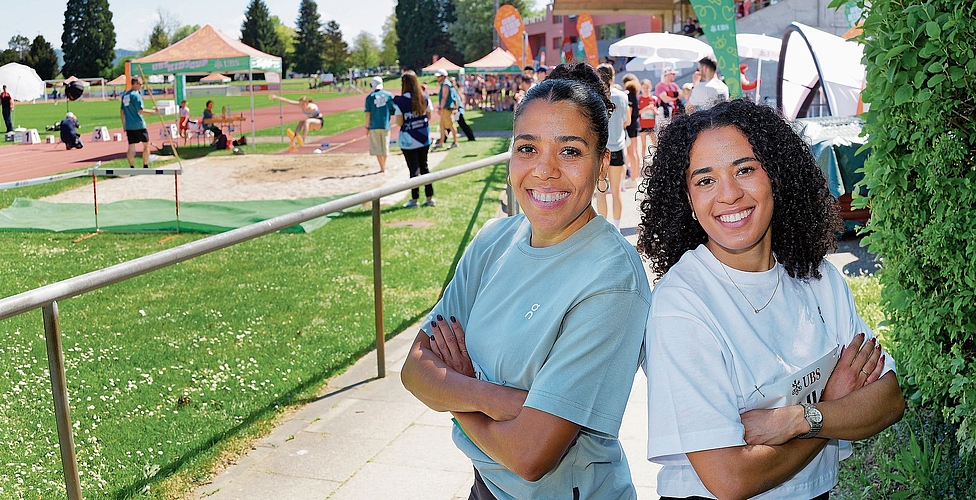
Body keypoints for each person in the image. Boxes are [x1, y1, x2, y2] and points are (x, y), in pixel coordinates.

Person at [401, 61, 649, 500]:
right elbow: (414, 369)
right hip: (486, 487)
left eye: (570, 151)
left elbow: (530, 456)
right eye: (527, 148)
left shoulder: (613, 281)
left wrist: (456, 392)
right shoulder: (494, 240)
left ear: (601, 160)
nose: (544, 170)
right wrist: (498, 400)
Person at [637, 99, 905, 500]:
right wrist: (831, 410)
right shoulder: (682, 305)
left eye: (745, 170)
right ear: (688, 201)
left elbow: (889, 399)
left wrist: (799, 419)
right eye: (705, 180)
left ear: (776, 178)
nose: (728, 194)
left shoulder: (820, 281)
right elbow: (731, 479)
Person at [594, 63, 629, 231]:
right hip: (618, 147)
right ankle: (617, 228)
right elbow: (626, 121)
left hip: (601, 149)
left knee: (601, 190)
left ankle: (603, 229)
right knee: (616, 191)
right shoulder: (622, 96)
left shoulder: (595, 97)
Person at [393, 71, 435, 207]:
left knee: (414, 171)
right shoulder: (424, 98)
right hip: (424, 137)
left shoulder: (400, 101)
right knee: (425, 168)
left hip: (408, 140)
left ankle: (415, 199)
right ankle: (429, 197)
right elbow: (428, 117)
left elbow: (399, 122)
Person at [120, 76, 158, 168]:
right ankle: (145, 165)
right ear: (135, 84)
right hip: (139, 124)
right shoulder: (136, 95)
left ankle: (131, 167)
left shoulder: (125, 95)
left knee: (131, 146)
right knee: (146, 144)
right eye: (140, 84)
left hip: (129, 125)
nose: (141, 86)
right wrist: (154, 112)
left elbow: (121, 112)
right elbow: (141, 110)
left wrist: (124, 124)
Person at [364, 76, 395, 172]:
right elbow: (393, 110)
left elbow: (368, 114)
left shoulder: (369, 97)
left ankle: (382, 167)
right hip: (385, 124)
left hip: (374, 125)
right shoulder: (389, 95)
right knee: (385, 147)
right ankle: (384, 165)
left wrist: (367, 126)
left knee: (377, 148)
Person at [622, 74, 642, 186]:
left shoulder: (629, 96)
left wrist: (624, 124)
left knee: (631, 153)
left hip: (630, 126)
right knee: (635, 152)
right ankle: (636, 176)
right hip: (636, 124)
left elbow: (628, 113)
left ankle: (633, 178)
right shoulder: (635, 95)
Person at [433, 69, 458, 149]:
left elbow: (444, 97)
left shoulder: (445, 85)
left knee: (450, 125)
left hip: (446, 108)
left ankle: (455, 142)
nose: (437, 78)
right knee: (442, 125)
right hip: (446, 108)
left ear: (443, 76)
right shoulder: (446, 84)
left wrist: (441, 107)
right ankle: (441, 142)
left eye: (439, 76)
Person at [637, 78, 659, 155]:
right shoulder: (639, 99)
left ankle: (657, 160)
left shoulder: (654, 99)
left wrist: (654, 110)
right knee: (643, 145)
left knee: (655, 144)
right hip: (642, 125)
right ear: (641, 88)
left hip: (652, 125)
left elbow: (657, 112)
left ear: (650, 88)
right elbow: (638, 112)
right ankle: (643, 162)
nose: (646, 90)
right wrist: (646, 108)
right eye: (644, 88)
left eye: (647, 88)